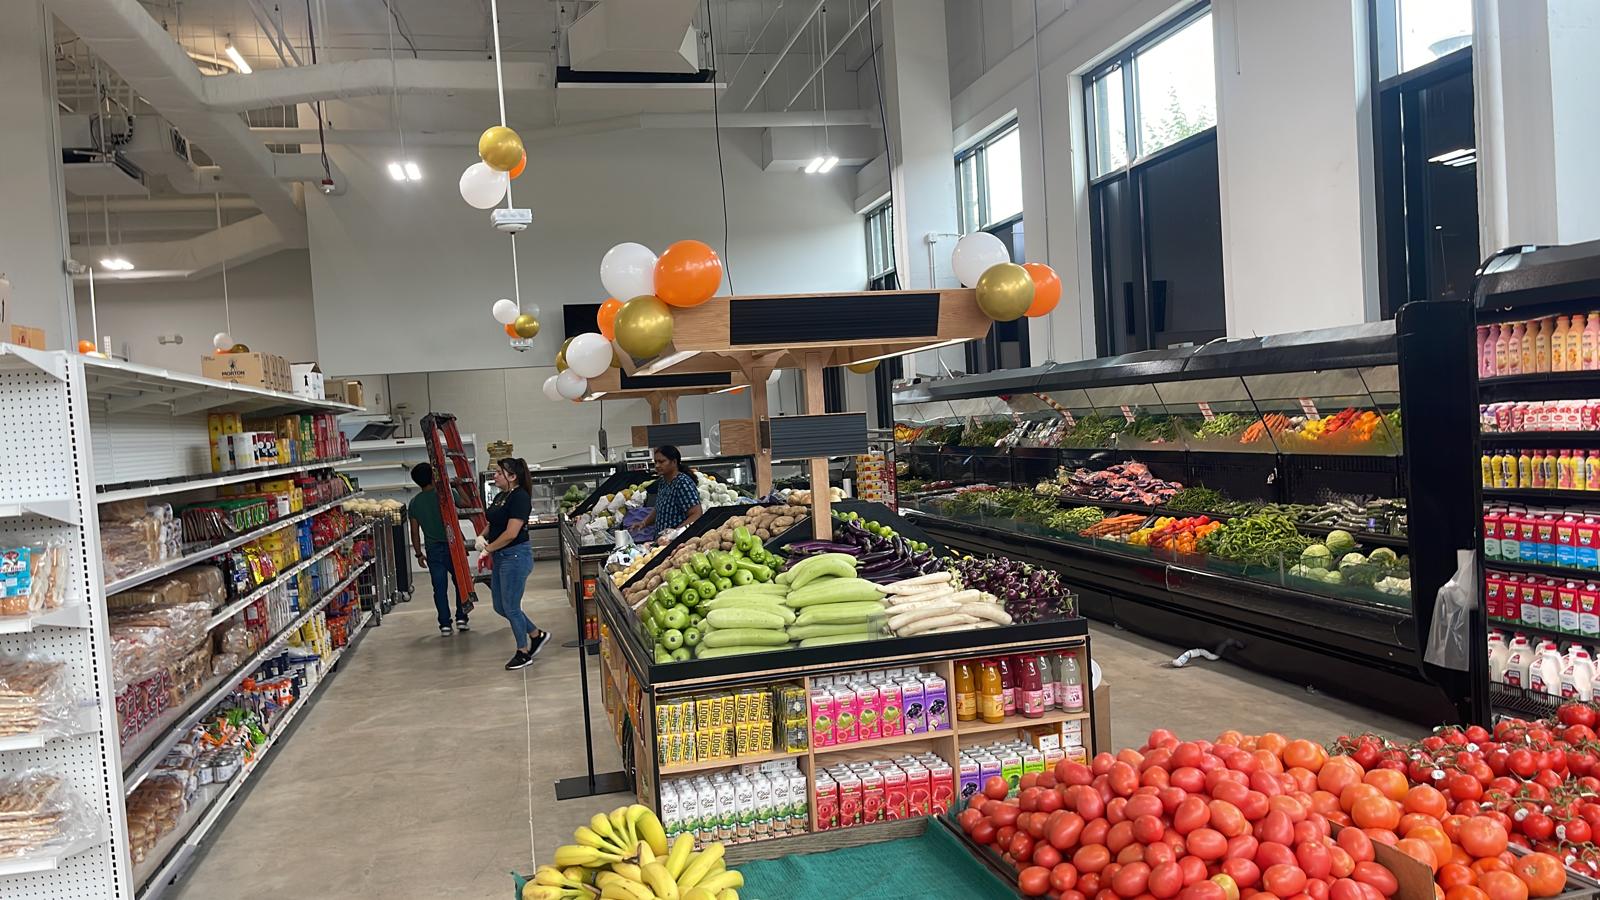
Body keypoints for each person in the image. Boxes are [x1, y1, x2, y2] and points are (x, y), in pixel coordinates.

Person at [476, 456, 548, 670]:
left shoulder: (520, 498)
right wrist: (482, 536)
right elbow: (495, 522)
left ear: (512, 476)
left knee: (512, 607)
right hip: (502, 557)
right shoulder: (501, 496)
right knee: (500, 606)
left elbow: (511, 533)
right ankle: (536, 634)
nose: (495, 476)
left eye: (499, 472)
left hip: (515, 556)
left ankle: (523, 652)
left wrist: (488, 548)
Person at [407, 463, 471, 636]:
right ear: (433, 477)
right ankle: (461, 618)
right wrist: (458, 486)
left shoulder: (414, 503)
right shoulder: (447, 494)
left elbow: (414, 532)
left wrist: (419, 554)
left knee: (439, 588)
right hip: (453, 545)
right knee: (460, 582)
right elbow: (466, 503)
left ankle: (445, 625)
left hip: (433, 550)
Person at [641, 445, 702, 532]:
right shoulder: (663, 481)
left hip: (677, 541)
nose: (657, 465)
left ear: (674, 462)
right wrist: (644, 523)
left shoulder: (682, 483)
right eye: (656, 462)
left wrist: (676, 533)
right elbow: (659, 509)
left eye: (661, 462)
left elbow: (696, 513)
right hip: (662, 540)